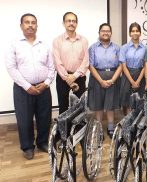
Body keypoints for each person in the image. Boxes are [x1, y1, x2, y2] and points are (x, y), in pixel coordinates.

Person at [5, 13, 55, 159]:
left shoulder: (44, 44)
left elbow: (51, 67)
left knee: (44, 117)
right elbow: (11, 68)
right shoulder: (14, 44)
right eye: (27, 22)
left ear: (37, 26)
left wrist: (46, 83)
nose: (30, 25)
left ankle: (42, 143)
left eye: (33, 22)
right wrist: (27, 86)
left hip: (43, 88)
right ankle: (27, 147)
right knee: (24, 119)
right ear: (21, 26)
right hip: (23, 89)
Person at [88, 23, 122, 138]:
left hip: (113, 77)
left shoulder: (117, 48)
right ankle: (99, 129)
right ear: (99, 33)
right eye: (103, 30)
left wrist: (112, 80)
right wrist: (101, 81)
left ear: (111, 33)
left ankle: (111, 128)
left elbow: (120, 66)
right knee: (98, 105)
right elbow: (91, 66)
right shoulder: (93, 47)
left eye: (108, 31)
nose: (105, 33)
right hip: (97, 77)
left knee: (111, 105)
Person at [53, 12, 89, 114]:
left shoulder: (84, 40)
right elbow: (57, 62)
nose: (71, 23)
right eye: (68, 21)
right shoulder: (57, 41)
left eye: (74, 21)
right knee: (63, 107)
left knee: (79, 107)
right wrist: (68, 79)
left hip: (79, 78)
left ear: (77, 24)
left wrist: (75, 76)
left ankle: (78, 129)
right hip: (62, 78)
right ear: (64, 23)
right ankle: (64, 130)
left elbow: (85, 61)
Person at [119, 22, 146, 115]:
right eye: (133, 31)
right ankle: (127, 125)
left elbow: (145, 66)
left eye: (137, 31)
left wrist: (138, 81)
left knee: (139, 101)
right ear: (130, 33)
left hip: (140, 75)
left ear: (140, 33)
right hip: (127, 75)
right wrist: (132, 82)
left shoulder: (145, 48)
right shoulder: (124, 48)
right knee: (127, 102)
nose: (135, 33)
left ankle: (137, 126)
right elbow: (123, 66)